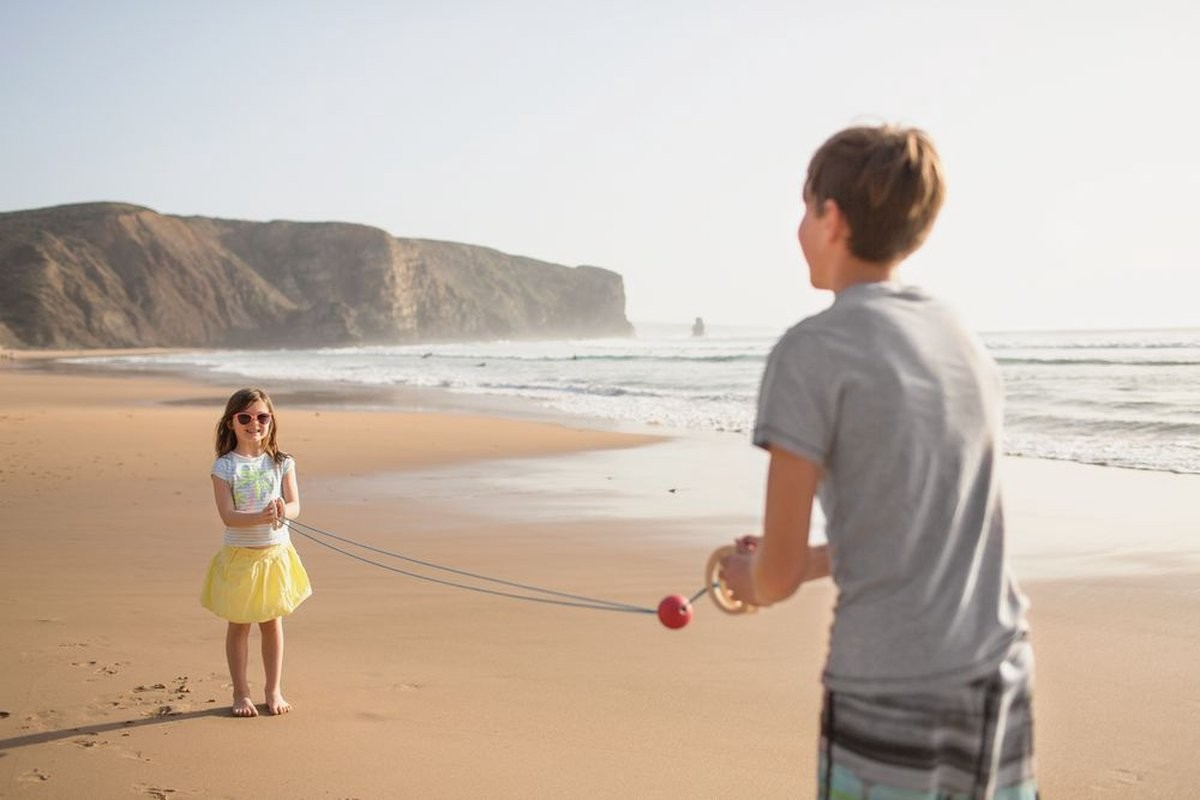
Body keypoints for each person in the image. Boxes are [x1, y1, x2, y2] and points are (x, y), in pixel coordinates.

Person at [719, 125, 1036, 799]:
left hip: (891, 687)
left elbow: (769, 579)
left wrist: (753, 575)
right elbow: (922, 523)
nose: (800, 228)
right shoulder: (959, 340)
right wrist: (809, 560)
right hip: (998, 672)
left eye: (805, 210)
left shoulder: (811, 352)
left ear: (831, 218)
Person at [201, 388, 312, 717]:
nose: (255, 424)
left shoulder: (281, 462)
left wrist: (282, 509)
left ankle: (273, 689)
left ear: (271, 421)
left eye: (262, 417)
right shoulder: (224, 466)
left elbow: (295, 506)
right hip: (240, 558)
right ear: (232, 422)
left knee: (272, 622)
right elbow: (227, 516)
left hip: (275, 556)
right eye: (245, 418)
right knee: (239, 625)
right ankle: (240, 692)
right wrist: (258, 517)